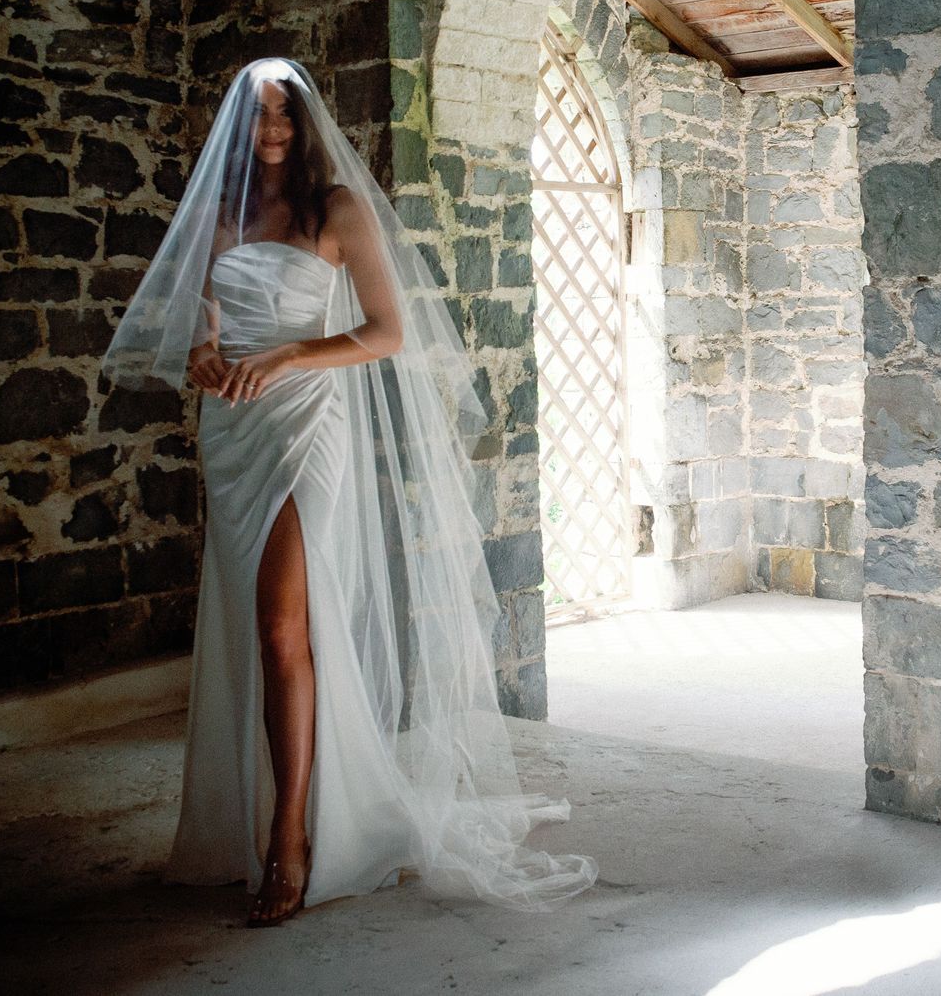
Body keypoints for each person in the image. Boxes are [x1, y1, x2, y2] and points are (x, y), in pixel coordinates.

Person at [101, 57, 599, 926]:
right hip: (234, 428)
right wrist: (206, 360)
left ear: (306, 122)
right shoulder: (218, 217)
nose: (273, 132)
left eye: (285, 115)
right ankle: (274, 810)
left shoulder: (337, 211)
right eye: (258, 118)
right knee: (257, 630)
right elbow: (203, 335)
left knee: (285, 623)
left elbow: (385, 332)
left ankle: (290, 839)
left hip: (308, 421)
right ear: (236, 126)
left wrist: (294, 353)